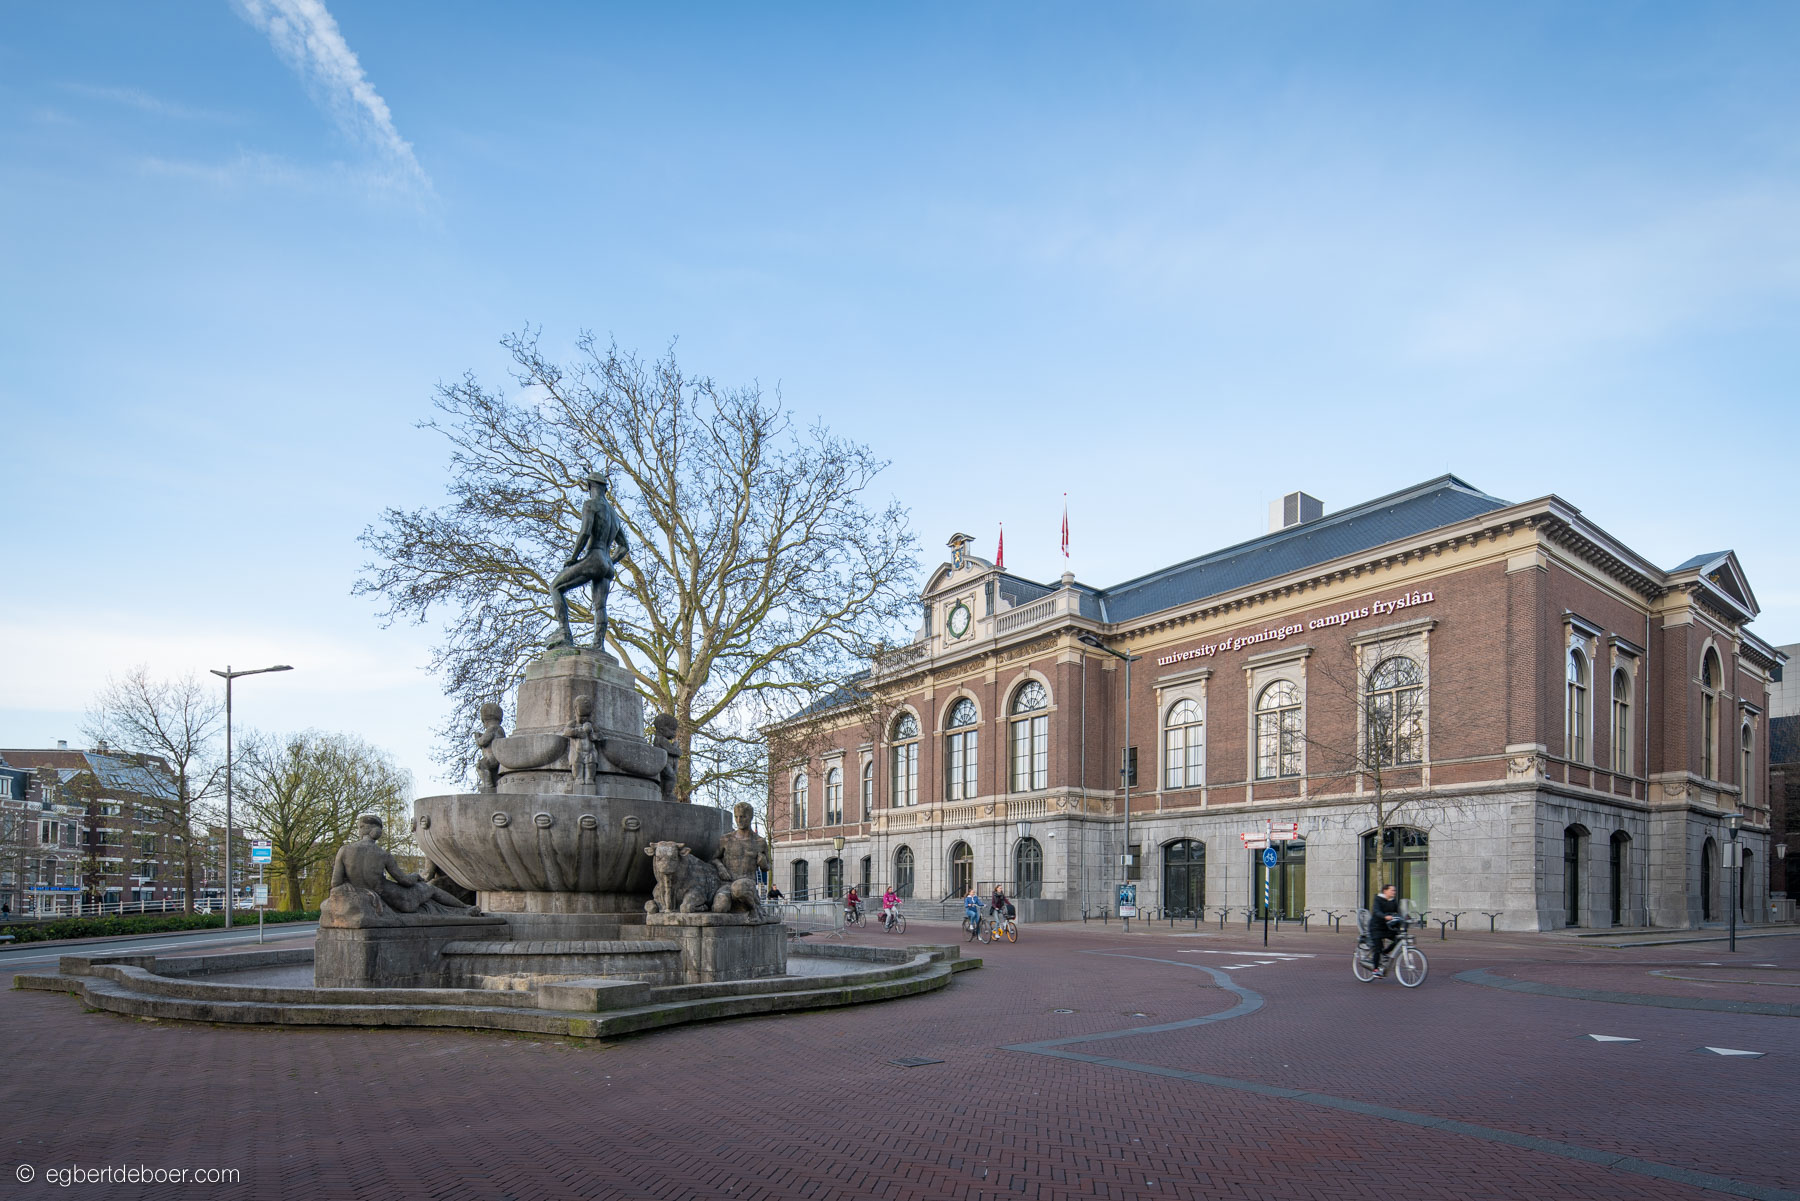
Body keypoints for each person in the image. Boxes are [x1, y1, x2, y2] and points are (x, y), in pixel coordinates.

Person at [1365, 883, 1402, 976]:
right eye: (1392, 890)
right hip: (1376, 927)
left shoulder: (1393, 901)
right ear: (1385, 891)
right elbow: (1376, 911)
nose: (1394, 892)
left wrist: (1406, 917)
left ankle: (1385, 953)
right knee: (1378, 948)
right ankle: (1375, 970)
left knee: (1399, 939)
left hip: (1387, 927)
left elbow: (1399, 912)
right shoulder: (1378, 899)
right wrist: (1385, 916)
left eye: (1395, 890)